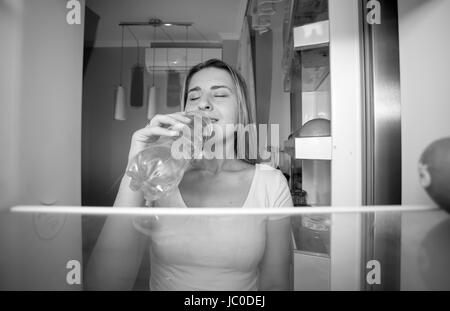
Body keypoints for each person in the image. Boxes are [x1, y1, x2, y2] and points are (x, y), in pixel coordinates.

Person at [86, 59, 293, 291]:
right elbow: (103, 283)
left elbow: (276, 284)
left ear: (241, 110)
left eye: (220, 95)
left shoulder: (271, 183)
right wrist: (134, 170)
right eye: (193, 97)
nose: (203, 103)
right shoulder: (160, 174)